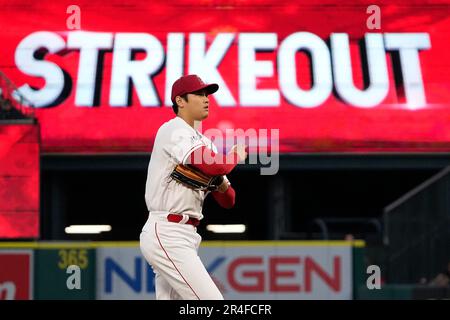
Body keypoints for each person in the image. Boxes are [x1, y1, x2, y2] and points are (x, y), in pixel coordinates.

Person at [139, 74, 247, 300]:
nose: (206, 98)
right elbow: (218, 166)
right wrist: (234, 156)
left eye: (207, 94)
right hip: (167, 229)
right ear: (180, 101)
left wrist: (216, 181)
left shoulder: (204, 142)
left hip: (187, 234)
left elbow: (229, 200)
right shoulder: (173, 130)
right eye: (198, 94)